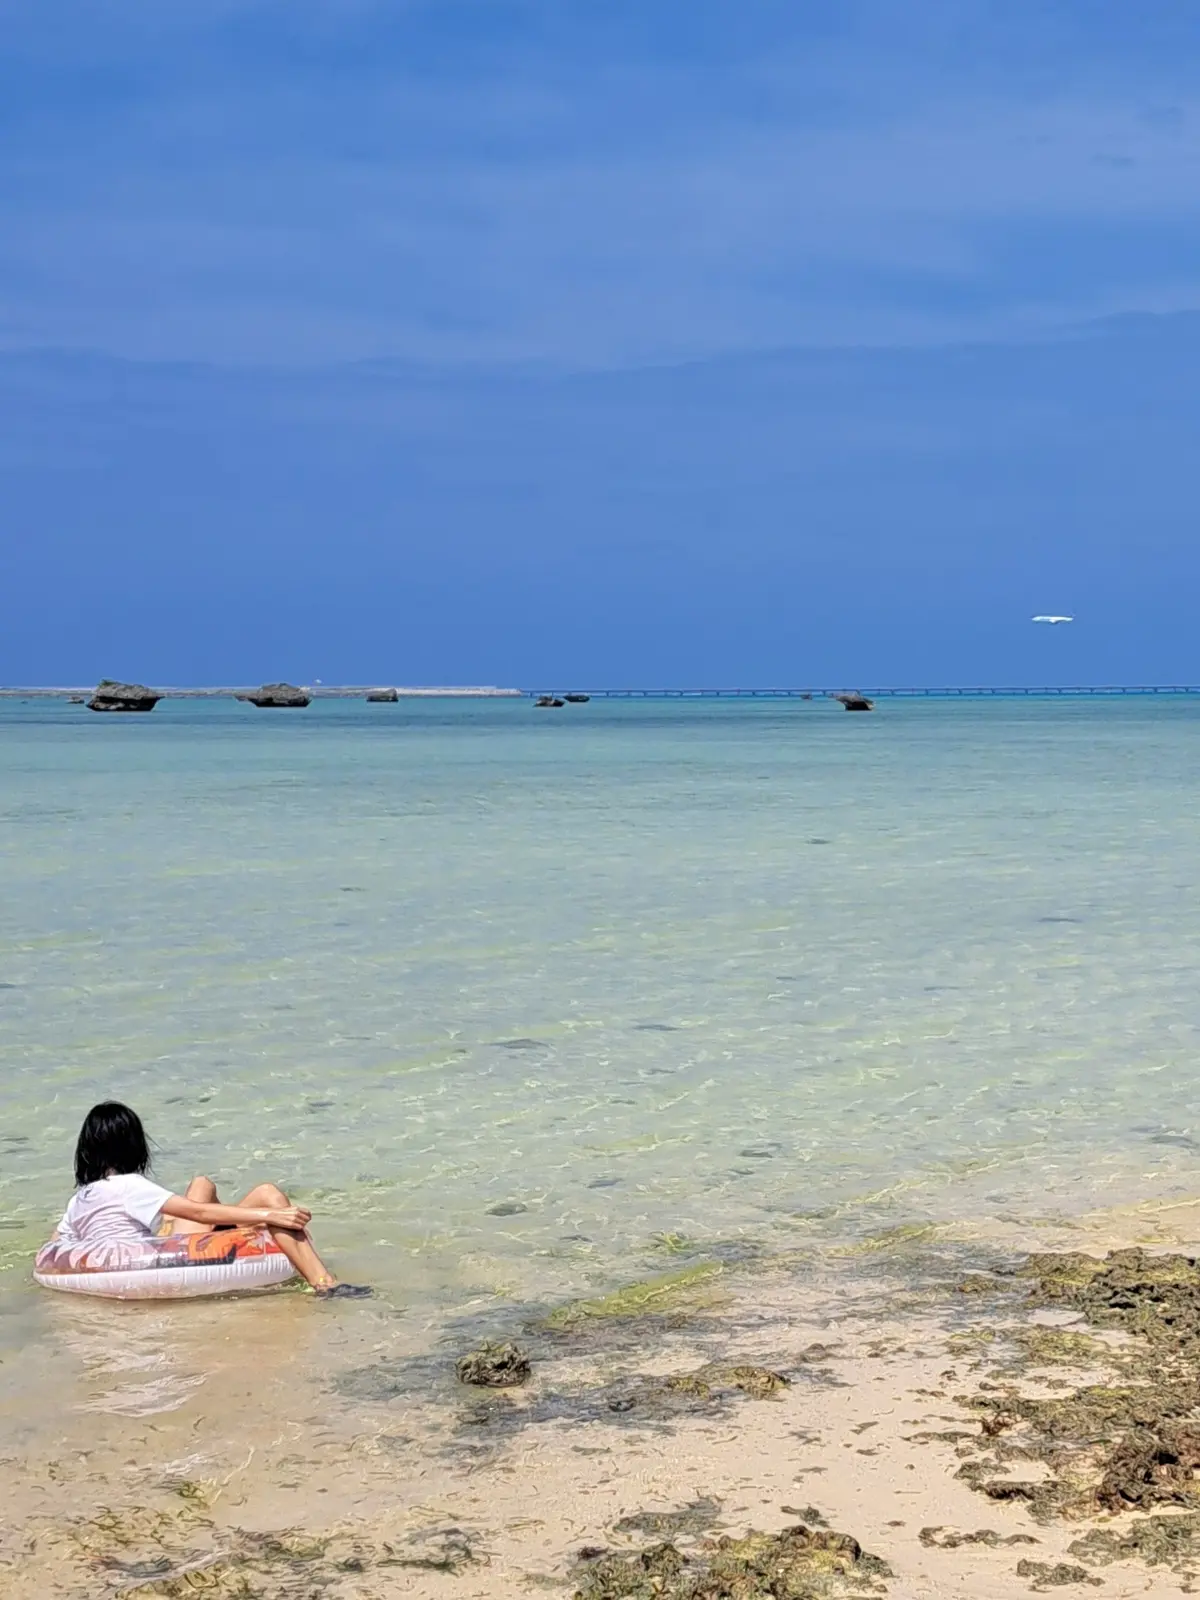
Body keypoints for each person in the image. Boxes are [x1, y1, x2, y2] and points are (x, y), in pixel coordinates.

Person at [44, 1101, 370, 1299]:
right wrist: (271, 1216)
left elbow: (55, 1247)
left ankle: (254, 1226)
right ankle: (324, 1284)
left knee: (202, 1185)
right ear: (135, 1146)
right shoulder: (130, 1185)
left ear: (86, 1151)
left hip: (118, 1265)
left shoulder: (80, 1199)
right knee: (267, 1197)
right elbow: (197, 1211)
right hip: (166, 1261)